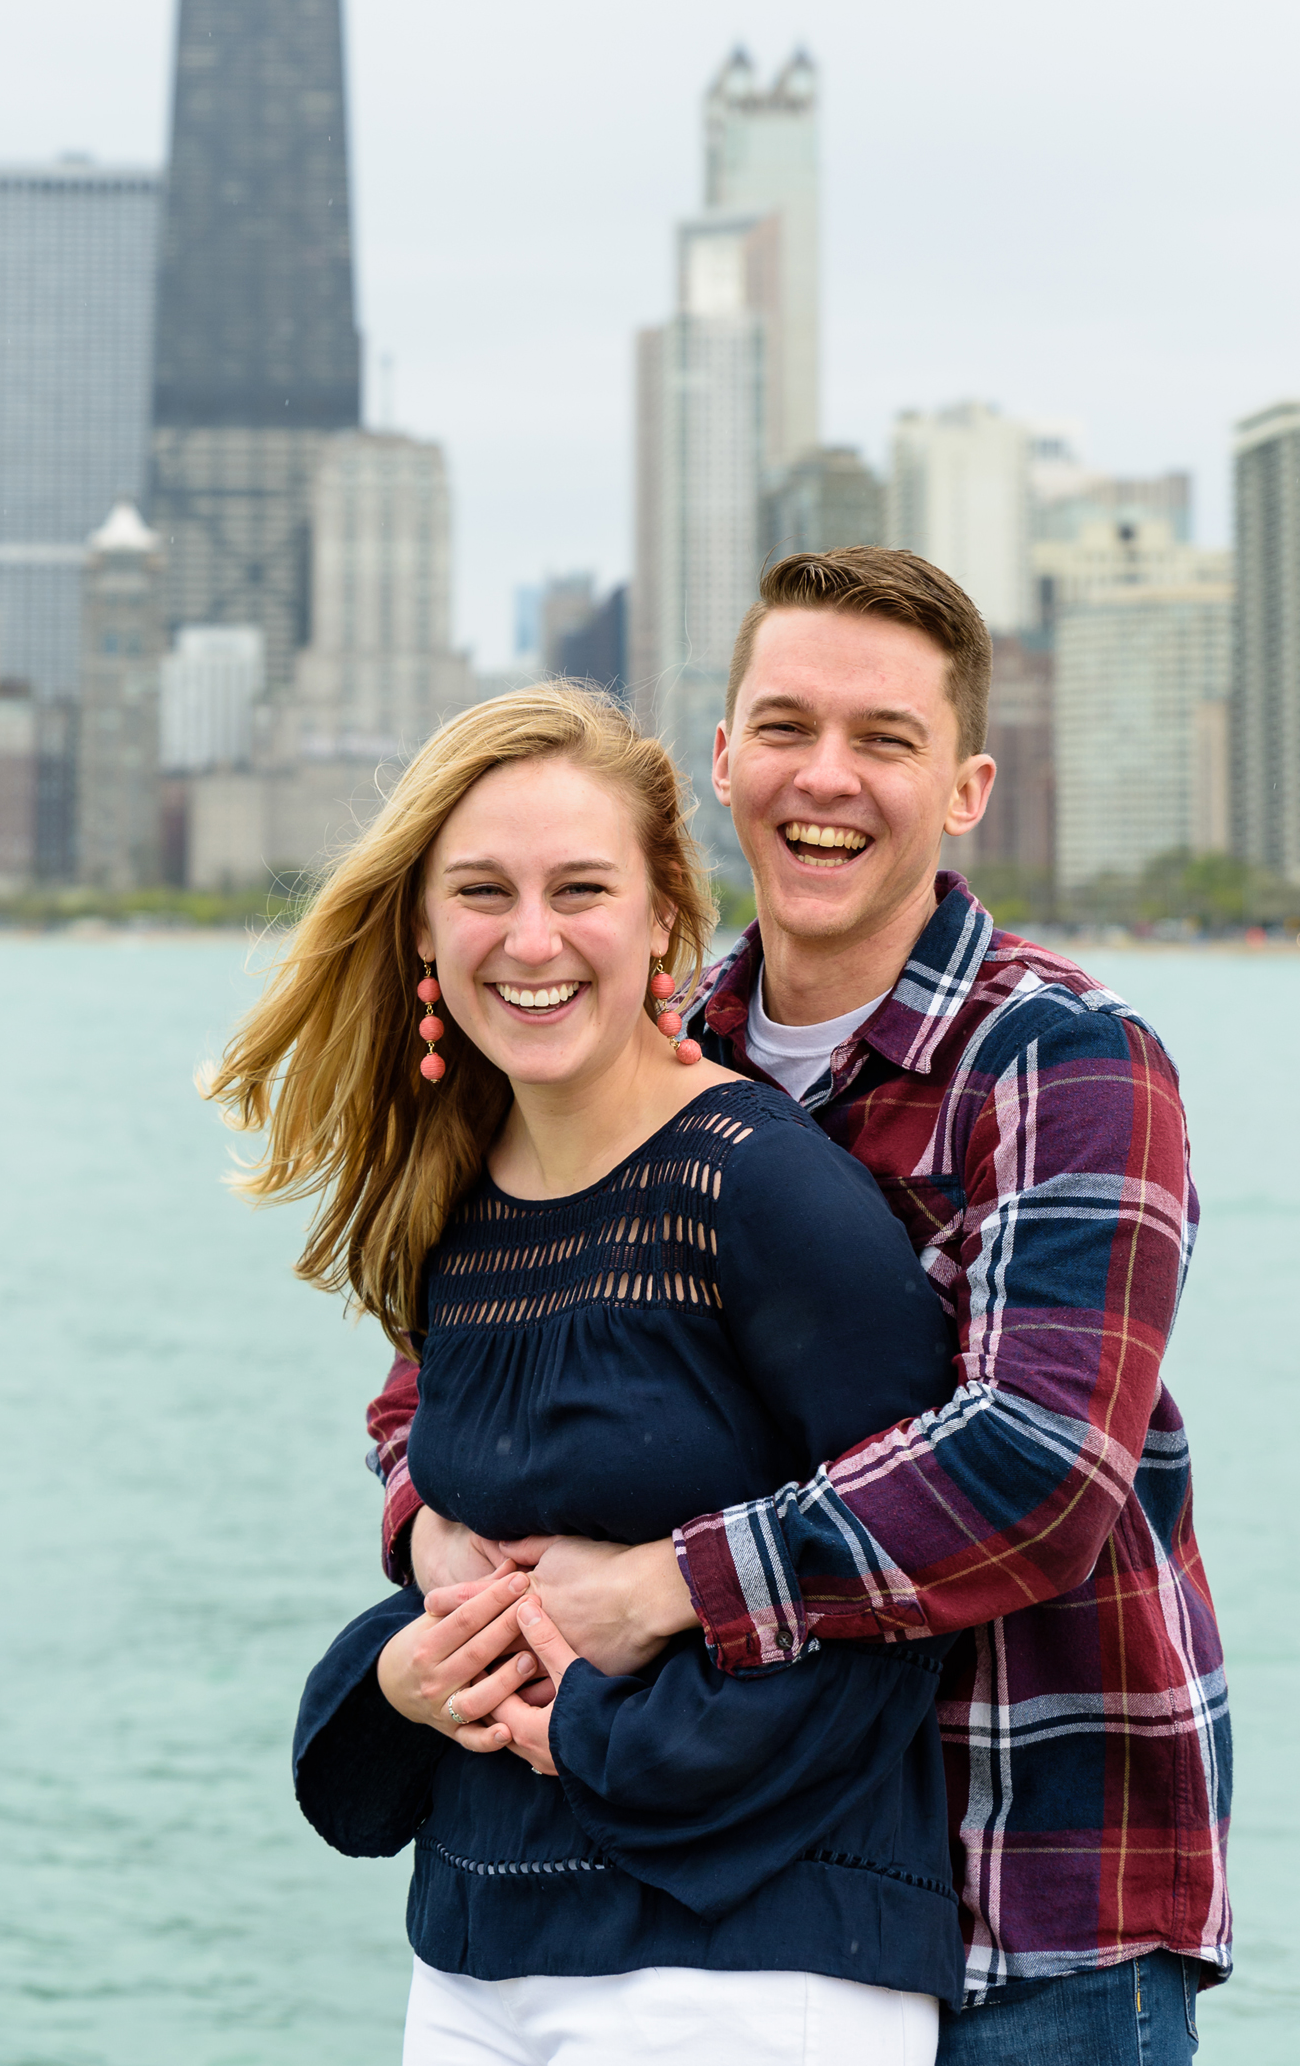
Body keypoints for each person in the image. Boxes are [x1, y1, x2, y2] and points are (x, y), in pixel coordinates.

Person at [368, 549, 1230, 2062]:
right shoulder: (648, 1036)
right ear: (722, 760)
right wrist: (440, 1548)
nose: (824, 778)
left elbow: (1036, 1471)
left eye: (884, 740)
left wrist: (648, 1593)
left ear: (965, 787)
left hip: (1039, 1899)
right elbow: (445, 1356)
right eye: (784, 727)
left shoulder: (1062, 1061)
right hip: (747, 1880)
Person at [209, 681, 966, 2064]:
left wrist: (600, 1733)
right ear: (427, 936)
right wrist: (405, 1683)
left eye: (582, 888)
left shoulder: (767, 1194)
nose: (533, 938)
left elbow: (908, 1601)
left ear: (667, 918)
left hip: (752, 1959)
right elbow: (466, 1575)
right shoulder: (446, 1212)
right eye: (483, 892)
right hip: (473, 1960)